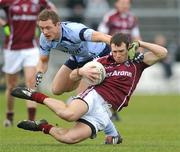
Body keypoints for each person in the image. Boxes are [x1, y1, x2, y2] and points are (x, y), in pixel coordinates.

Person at [11, 33, 167, 144]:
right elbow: (72, 76)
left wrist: (140, 43)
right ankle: (34, 95)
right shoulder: (102, 61)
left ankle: (42, 126)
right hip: (95, 96)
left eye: (121, 51)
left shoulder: (137, 63)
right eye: (114, 51)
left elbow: (162, 53)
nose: (117, 55)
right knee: (68, 114)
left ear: (129, 48)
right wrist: (81, 71)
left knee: (69, 138)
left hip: (106, 112)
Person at [0, 0, 56, 127]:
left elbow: (53, 11)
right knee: (11, 86)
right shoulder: (8, 2)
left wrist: (42, 25)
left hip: (30, 48)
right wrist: (4, 24)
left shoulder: (37, 2)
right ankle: (9, 115)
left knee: (30, 84)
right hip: (12, 48)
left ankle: (31, 120)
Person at [98, 0, 142, 121]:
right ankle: (104, 109)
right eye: (122, 3)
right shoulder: (110, 16)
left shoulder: (132, 18)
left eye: (126, 3)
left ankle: (112, 109)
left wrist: (139, 51)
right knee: (107, 81)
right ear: (116, 4)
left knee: (123, 81)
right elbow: (101, 33)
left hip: (126, 54)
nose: (124, 5)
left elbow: (137, 36)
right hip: (111, 52)